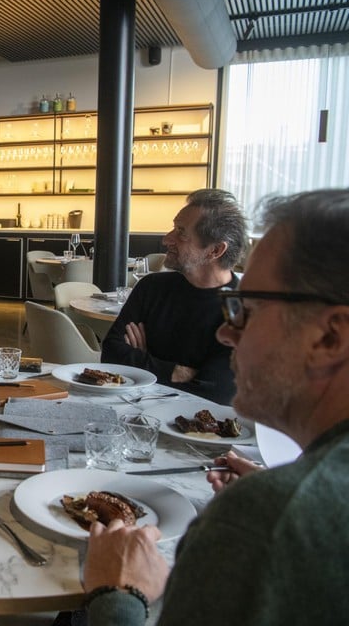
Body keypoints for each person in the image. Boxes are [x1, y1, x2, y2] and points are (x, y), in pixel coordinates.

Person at [83, 189, 349, 625]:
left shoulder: (266, 521)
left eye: (249, 309)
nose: (227, 334)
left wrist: (118, 594)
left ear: (330, 338)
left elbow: (211, 386)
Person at [101, 189, 247, 404]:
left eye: (181, 232)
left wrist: (142, 364)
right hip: (133, 411)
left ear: (215, 250)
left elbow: (217, 392)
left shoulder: (241, 310)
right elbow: (111, 354)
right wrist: (174, 371)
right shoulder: (151, 287)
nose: (166, 239)